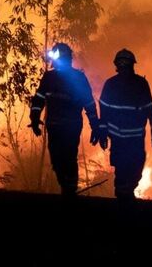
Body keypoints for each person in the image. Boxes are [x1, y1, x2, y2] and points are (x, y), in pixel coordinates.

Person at [29, 42, 101, 196]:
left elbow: (88, 103)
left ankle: (70, 189)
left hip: (70, 126)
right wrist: (34, 118)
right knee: (57, 160)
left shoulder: (78, 78)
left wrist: (95, 126)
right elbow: (39, 99)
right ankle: (66, 186)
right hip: (56, 126)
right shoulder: (49, 77)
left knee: (68, 157)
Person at [97, 49, 152, 200]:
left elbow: (151, 109)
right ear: (117, 65)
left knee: (135, 168)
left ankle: (126, 192)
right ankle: (123, 199)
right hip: (120, 138)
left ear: (131, 65)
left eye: (126, 63)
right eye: (121, 63)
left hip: (134, 138)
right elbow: (104, 110)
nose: (123, 66)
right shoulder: (111, 84)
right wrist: (103, 133)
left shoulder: (140, 84)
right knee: (122, 169)